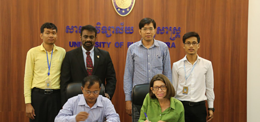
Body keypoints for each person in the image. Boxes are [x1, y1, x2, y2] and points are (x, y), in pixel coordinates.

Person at [124, 18, 172, 122]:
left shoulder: (163, 48)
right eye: (145, 29)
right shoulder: (132, 49)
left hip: (159, 96)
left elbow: (168, 72)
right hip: (138, 97)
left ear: (155, 30)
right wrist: (128, 99)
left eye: (151, 28)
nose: (148, 32)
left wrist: (169, 96)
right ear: (140, 31)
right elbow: (128, 74)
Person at [60, 25, 116, 106]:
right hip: (76, 101)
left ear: (95, 38)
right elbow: (64, 81)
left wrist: (108, 94)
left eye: (91, 37)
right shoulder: (70, 55)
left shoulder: (104, 55)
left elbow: (111, 78)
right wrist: (64, 103)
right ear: (80, 37)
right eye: (85, 37)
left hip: (98, 100)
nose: (88, 39)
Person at [24, 22, 66, 122]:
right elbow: (28, 78)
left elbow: (64, 76)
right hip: (38, 96)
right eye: (47, 33)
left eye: (53, 33)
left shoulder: (62, 52)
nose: (51, 35)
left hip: (55, 96)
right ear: (41, 35)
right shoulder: (32, 52)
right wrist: (28, 103)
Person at [172, 32, 215, 122]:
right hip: (181, 105)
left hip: (199, 107)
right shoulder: (176, 65)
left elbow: (209, 87)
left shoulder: (207, 64)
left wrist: (211, 107)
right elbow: (174, 88)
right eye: (188, 43)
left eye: (194, 43)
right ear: (184, 46)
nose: (191, 46)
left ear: (198, 45)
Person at [55, 75, 120, 122]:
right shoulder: (72, 101)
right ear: (82, 89)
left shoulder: (105, 101)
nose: (91, 95)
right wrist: (74, 119)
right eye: (88, 92)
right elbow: (58, 119)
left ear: (100, 90)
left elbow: (115, 118)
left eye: (95, 92)